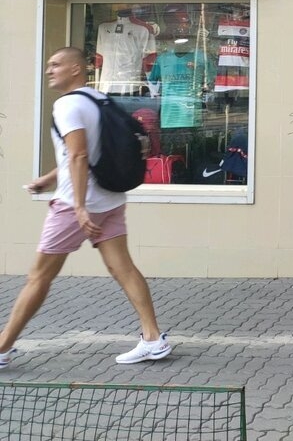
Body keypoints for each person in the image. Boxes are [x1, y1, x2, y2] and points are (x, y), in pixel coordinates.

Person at [0, 47, 171, 371]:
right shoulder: (98, 99)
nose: (49, 70)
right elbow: (83, 153)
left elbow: (79, 155)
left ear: (76, 69)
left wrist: (78, 207)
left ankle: (2, 347)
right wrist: (48, 179)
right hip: (110, 199)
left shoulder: (66, 105)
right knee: (123, 268)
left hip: (75, 205)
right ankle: (152, 338)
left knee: (39, 276)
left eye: (56, 64)